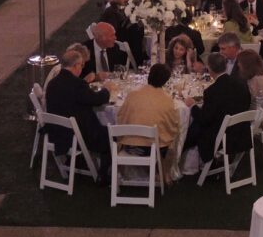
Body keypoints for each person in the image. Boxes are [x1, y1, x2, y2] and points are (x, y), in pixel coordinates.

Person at [43, 46, 110, 178]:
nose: (81, 68)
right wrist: (107, 89)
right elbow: (97, 99)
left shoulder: (53, 84)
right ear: (75, 65)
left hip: (56, 132)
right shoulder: (77, 84)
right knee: (110, 135)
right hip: (75, 136)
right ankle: (104, 175)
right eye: (81, 65)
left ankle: (79, 164)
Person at [116, 63, 183, 181]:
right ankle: (164, 173)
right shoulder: (167, 100)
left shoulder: (132, 95)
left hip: (130, 145)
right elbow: (172, 126)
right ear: (166, 81)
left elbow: (121, 118)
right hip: (155, 148)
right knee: (173, 138)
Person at [186, 49, 252, 164]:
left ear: (209, 68)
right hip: (242, 132)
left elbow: (204, 119)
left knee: (194, 127)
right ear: (226, 66)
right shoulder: (241, 84)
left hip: (222, 137)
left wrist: (192, 106)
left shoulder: (212, 91)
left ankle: (182, 152)